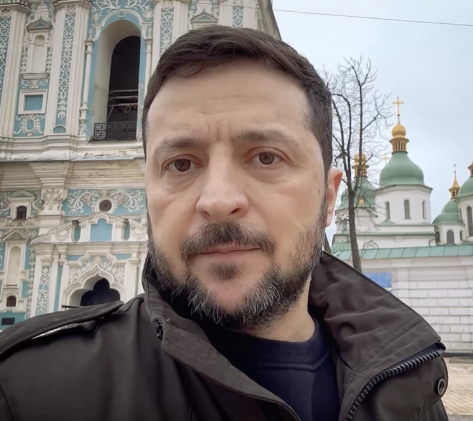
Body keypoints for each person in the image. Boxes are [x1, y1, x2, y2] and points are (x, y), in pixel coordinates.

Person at [0, 26, 448, 421]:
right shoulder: (25, 392)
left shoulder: (409, 387)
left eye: (266, 157)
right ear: (148, 194)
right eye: (180, 163)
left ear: (329, 198)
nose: (217, 201)